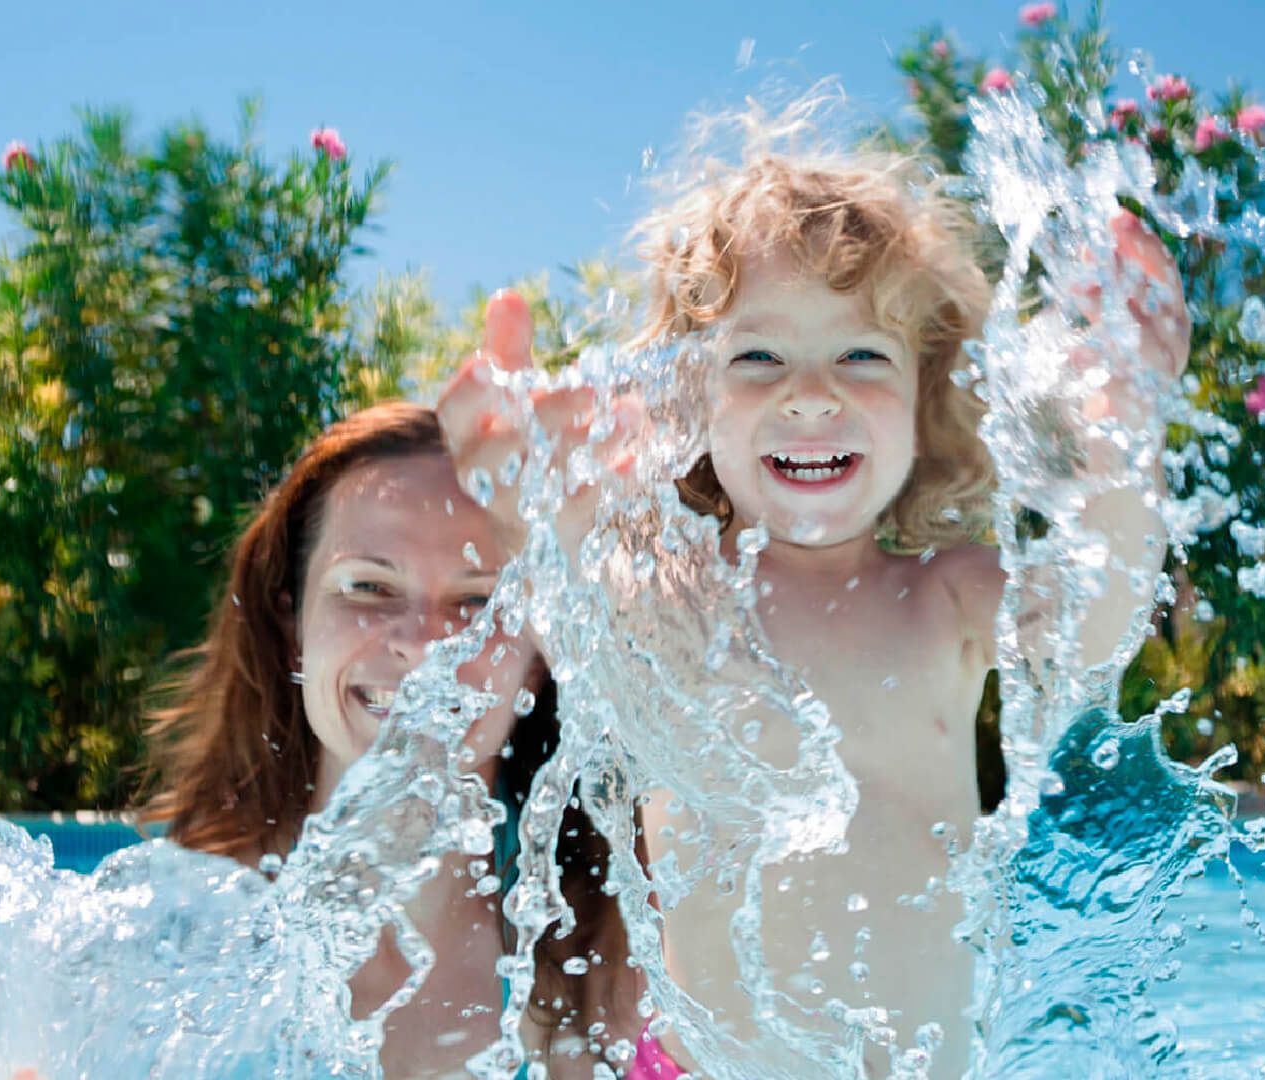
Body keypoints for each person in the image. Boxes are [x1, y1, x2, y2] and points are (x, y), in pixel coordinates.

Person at [442, 149, 1187, 1077]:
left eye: (861, 354)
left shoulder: (944, 597)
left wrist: (1124, 447)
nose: (810, 392)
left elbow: (1092, 629)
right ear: (689, 397)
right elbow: (582, 618)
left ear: (927, 395)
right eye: (757, 356)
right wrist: (530, 501)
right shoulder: (677, 595)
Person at [140, 401, 656, 1079]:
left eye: (477, 601)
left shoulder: (616, 954)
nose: (421, 645)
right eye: (369, 587)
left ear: (539, 648)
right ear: (291, 623)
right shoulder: (171, 941)